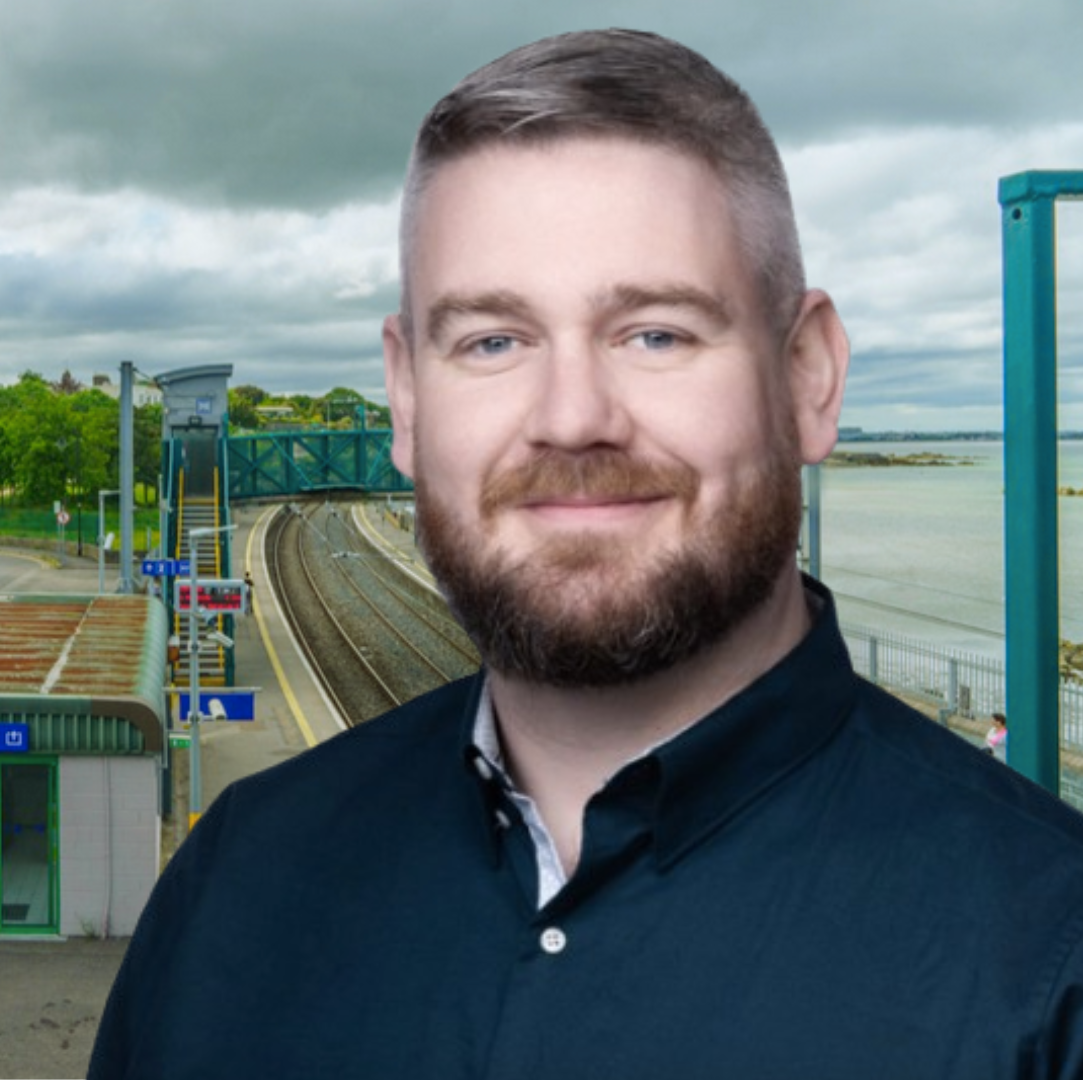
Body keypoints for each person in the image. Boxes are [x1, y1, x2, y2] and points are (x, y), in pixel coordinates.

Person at [90, 29, 1083, 1079]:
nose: (571, 420)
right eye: (493, 342)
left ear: (808, 378)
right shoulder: (240, 880)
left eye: (655, 333)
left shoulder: (1049, 968)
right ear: (407, 397)